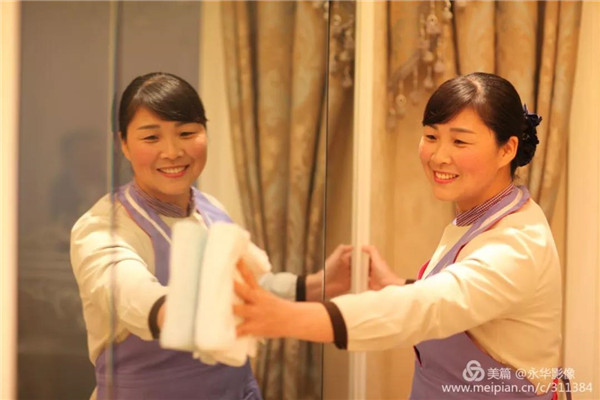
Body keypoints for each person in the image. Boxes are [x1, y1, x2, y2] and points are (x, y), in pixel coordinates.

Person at [234, 72, 567, 399]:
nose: (439, 156)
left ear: (507, 150)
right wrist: (395, 284)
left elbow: (424, 308)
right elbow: (459, 301)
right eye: (431, 136)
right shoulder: (487, 214)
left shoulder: (517, 245)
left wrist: (285, 317)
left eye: (460, 141)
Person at [70, 72, 351, 400]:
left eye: (187, 133)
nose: (172, 151)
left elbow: (244, 288)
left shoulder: (210, 209)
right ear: (123, 144)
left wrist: (317, 285)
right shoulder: (101, 227)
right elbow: (128, 290)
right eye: (151, 138)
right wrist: (180, 312)